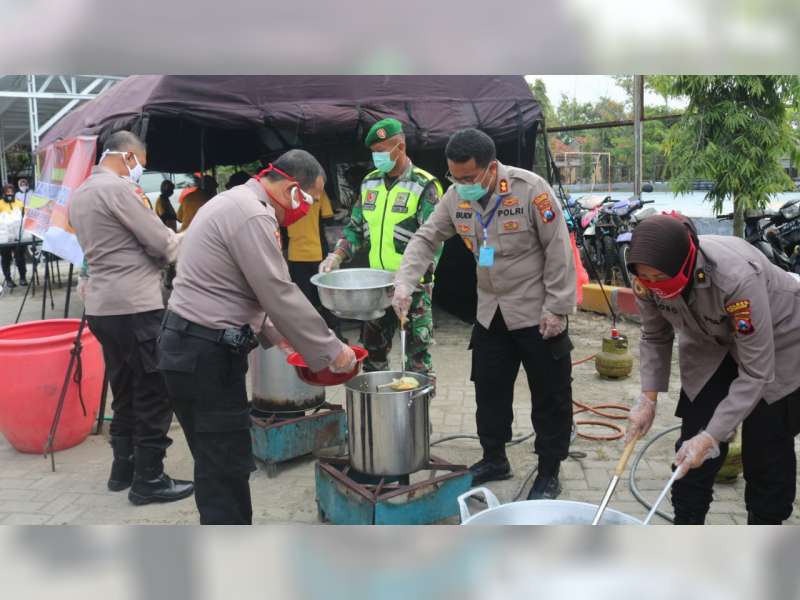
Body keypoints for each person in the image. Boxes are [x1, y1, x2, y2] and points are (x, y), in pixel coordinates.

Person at [158, 149, 356, 525]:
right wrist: (333, 350)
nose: (308, 209)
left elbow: (243, 287)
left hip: (188, 348)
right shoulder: (252, 214)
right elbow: (277, 290)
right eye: (310, 199)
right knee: (225, 470)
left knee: (216, 465)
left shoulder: (235, 202)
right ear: (292, 189)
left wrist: (280, 336)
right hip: (206, 356)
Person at [392, 128, 576, 499]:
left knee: (550, 396)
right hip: (491, 312)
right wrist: (404, 283)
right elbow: (426, 238)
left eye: (469, 178)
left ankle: (549, 471)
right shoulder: (455, 197)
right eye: (454, 177)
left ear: (491, 169)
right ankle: (494, 458)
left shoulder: (531, 190)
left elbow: (559, 249)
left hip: (537, 312)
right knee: (489, 392)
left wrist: (557, 307)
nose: (461, 185)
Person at [625, 213, 800, 525]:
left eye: (659, 278)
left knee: (765, 444)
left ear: (684, 263)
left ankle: (765, 528)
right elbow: (654, 335)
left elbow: (756, 372)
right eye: (645, 278)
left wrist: (712, 436)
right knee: (690, 448)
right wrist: (647, 400)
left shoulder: (735, 278)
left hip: (778, 339)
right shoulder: (646, 275)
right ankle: (687, 524)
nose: (653, 286)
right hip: (709, 342)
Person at [68, 130, 193, 506]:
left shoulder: (81, 192)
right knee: (154, 389)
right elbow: (161, 243)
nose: (139, 169)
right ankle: (149, 479)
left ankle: (122, 469)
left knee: (123, 388)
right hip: (135, 305)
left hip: (102, 308)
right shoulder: (119, 190)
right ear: (127, 156)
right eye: (140, 162)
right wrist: (184, 237)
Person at [320, 118, 443, 376]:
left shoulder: (424, 185)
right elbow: (355, 229)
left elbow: (433, 242)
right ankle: (378, 401)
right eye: (374, 152)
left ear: (400, 147)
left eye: (381, 151)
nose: (377, 157)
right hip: (377, 288)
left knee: (417, 362)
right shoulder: (369, 183)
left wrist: (409, 282)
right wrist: (336, 256)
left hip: (413, 289)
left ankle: (417, 403)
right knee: (373, 356)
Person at [287, 187, 343, 340]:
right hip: (318, 253)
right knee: (328, 298)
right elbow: (328, 217)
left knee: (303, 301)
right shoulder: (319, 190)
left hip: (296, 255)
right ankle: (336, 336)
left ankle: (309, 338)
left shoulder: (287, 192)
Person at [0, 184, 27, 287]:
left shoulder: (19, 203)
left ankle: (23, 278)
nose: (9, 194)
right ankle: (8, 279)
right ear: (4, 193)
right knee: (6, 258)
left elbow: (24, 216)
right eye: (7, 192)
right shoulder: (0, 204)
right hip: (4, 237)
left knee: (20, 257)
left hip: (17, 236)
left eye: (11, 192)